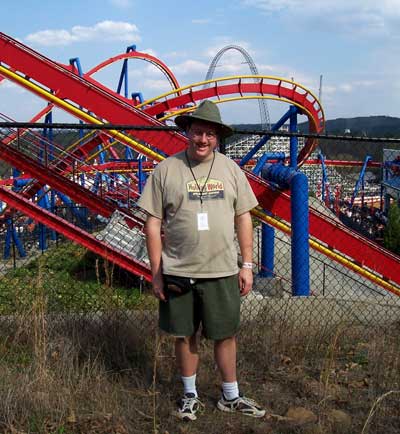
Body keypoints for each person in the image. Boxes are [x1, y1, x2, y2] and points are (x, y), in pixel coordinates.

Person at [138, 100, 265, 421]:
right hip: (178, 269)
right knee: (185, 334)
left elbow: (244, 216)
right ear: (187, 132)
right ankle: (190, 394)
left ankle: (230, 396)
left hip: (222, 269)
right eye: (197, 132)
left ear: (218, 137)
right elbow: (152, 222)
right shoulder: (166, 170)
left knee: (225, 334)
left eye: (210, 134)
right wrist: (156, 273)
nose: (203, 139)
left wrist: (247, 264)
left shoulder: (231, 170)